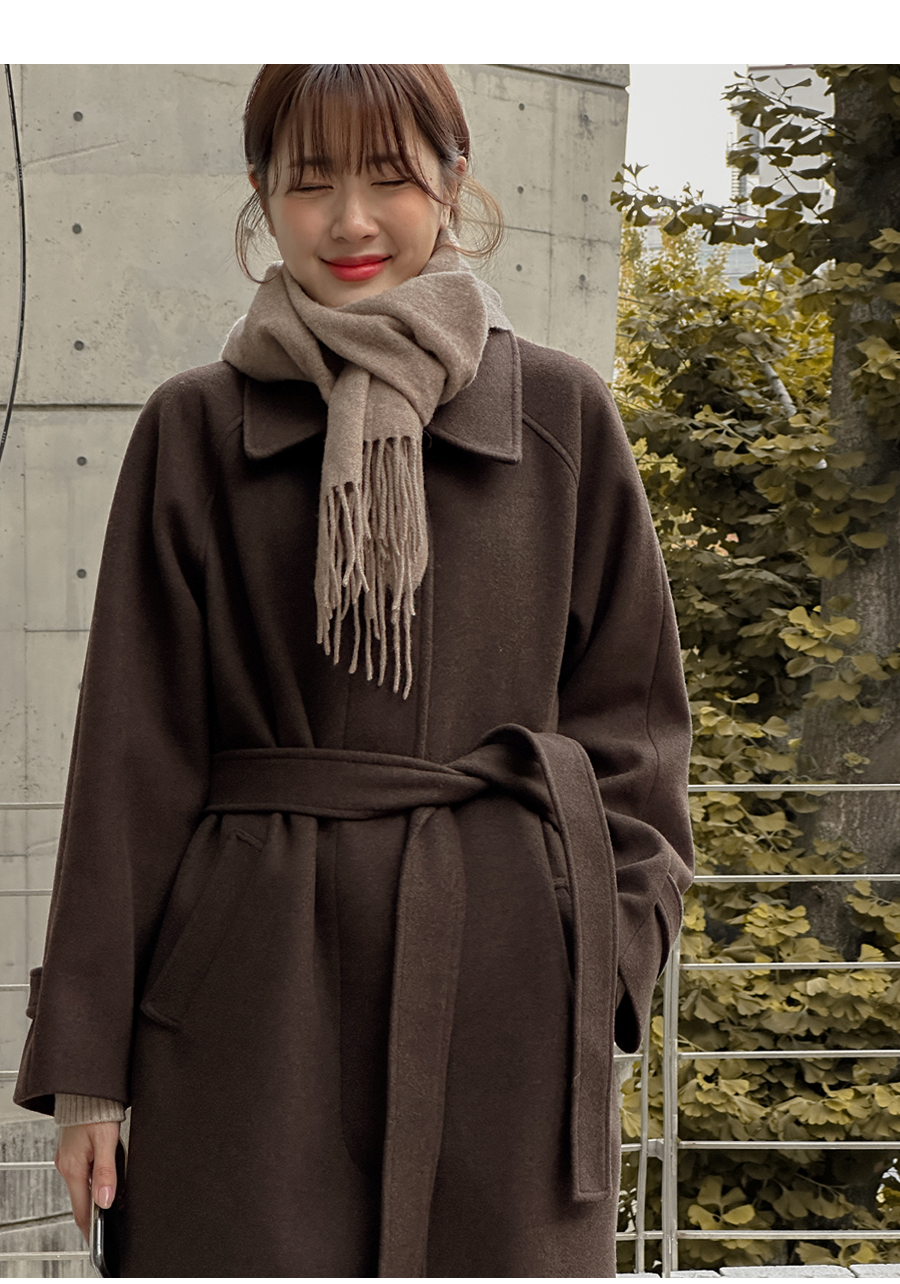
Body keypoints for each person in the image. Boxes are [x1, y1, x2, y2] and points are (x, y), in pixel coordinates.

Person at [15, 63, 693, 1277]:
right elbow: (129, 759)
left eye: (389, 176)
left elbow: (638, 732)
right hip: (248, 985)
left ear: (453, 180)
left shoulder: (560, 416)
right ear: (259, 192)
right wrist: (86, 1073)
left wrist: (598, 958)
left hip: (502, 972)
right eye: (309, 180)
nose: (350, 219)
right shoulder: (195, 428)